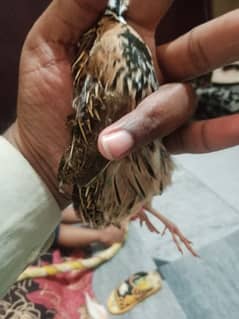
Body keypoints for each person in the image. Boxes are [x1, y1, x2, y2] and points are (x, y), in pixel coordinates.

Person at [0, 0, 238, 296]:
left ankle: (138, 203)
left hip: (113, 172)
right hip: (95, 180)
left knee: (138, 147)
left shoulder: (124, 39)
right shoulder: (97, 50)